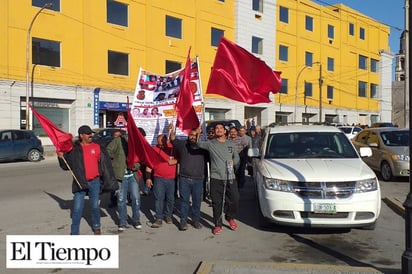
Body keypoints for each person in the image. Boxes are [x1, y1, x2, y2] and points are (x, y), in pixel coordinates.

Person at [58, 125, 117, 235]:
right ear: (81, 135)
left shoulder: (97, 147)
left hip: (94, 182)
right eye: (88, 134)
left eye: (91, 133)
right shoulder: (74, 150)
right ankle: (74, 232)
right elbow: (66, 166)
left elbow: (104, 165)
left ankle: (96, 227)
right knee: (77, 209)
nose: (91, 135)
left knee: (94, 206)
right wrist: (61, 158)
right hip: (79, 182)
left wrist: (107, 180)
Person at [196, 123, 240, 235]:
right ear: (214, 131)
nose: (219, 130)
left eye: (221, 128)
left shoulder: (231, 143)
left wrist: (233, 163)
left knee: (235, 198)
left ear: (225, 131)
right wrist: (198, 132)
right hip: (216, 177)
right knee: (217, 202)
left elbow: (237, 158)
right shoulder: (210, 144)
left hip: (230, 177)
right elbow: (198, 143)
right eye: (216, 128)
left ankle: (230, 217)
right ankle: (217, 224)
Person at [169, 124, 208, 231]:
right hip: (184, 178)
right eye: (191, 135)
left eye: (196, 135)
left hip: (198, 179)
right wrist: (171, 130)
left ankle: (195, 220)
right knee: (184, 201)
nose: (193, 137)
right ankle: (183, 221)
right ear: (188, 135)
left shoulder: (204, 147)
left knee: (196, 201)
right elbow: (172, 139)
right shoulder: (183, 145)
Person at [106, 129, 142, 232]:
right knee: (121, 199)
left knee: (136, 198)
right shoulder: (118, 141)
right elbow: (108, 151)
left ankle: (136, 220)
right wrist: (116, 159)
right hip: (120, 175)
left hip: (133, 174)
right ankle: (122, 222)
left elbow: (141, 157)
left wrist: (136, 165)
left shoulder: (137, 143)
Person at [145, 134, 178, 228]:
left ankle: (168, 215)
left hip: (171, 178)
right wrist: (148, 178)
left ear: (166, 141)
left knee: (170, 199)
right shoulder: (154, 150)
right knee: (159, 198)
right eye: (159, 144)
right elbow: (149, 165)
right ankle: (158, 218)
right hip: (158, 178)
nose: (161, 146)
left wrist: (175, 161)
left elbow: (181, 158)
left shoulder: (173, 148)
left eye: (162, 144)